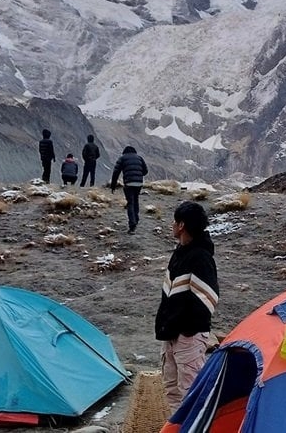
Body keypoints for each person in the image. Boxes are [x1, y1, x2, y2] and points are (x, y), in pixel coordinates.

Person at [155, 201, 219, 413]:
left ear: (181, 225)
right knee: (171, 388)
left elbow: (208, 299)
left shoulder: (200, 257)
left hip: (187, 336)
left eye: (175, 221)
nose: (172, 225)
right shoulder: (180, 252)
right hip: (171, 333)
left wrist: (187, 330)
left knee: (191, 392)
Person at [110, 145, 148, 234]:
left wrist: (113, 185)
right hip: (139, 183)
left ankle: (132, 225)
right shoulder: (139, 158)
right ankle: (136, 218)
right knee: (136, 200)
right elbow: (145, 171)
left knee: (130, 202)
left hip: (129, 183)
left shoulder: (122, 158)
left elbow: (116, 172)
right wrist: (138, 175)